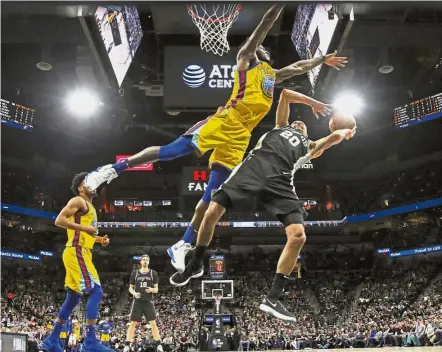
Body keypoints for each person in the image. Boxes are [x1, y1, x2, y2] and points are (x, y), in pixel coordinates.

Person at [82, 4, 348, 273]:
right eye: (253, 40)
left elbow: (299, 67)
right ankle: (110, 170)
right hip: (225, 120)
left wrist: (321, 60)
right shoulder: (245, 59)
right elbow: (266, 22)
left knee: (214, 197)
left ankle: (183, 244)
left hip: (241, 136)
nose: (254, 42)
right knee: (174, 151)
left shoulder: (271, 75)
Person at [169, 88, 356, 322]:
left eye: (303, 124)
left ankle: (273, 298)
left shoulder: (310, 148)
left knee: (298, 236)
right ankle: (195, 265)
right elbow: (286, 93)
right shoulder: (280, 127)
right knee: (212, 211)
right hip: (254, 167)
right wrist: (313, 103)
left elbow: (331, 139)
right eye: (296, 121)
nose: (299, 122)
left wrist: (345, 131)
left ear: (306, 132)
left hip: (281, 180)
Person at [39, 172, 113, 352]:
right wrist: (85, 228)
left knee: (73, 297)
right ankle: (90, 342)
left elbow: (83, 233)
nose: (93, 183)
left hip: (80, 251)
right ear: (81, 187)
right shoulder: (79, 201)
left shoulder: (90, 206)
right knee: (96, 291)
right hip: (77, 251)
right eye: (88, 181)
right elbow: (59, 220)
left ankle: (52, 339)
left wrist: (98, 240)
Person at [126, 254, 163, 351]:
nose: (145, 261)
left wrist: (151, 289)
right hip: (137, 301)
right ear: (141, 262)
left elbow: (156, 289)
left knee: (153, 323)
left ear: (149, 262)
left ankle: (158, 343)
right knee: (133, 323)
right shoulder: (135, 273)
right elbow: (130, 288)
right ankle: (127, 344)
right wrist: (134, 293)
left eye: (147, 260)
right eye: (144, 260)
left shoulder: (153, 273)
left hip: (148, 301)